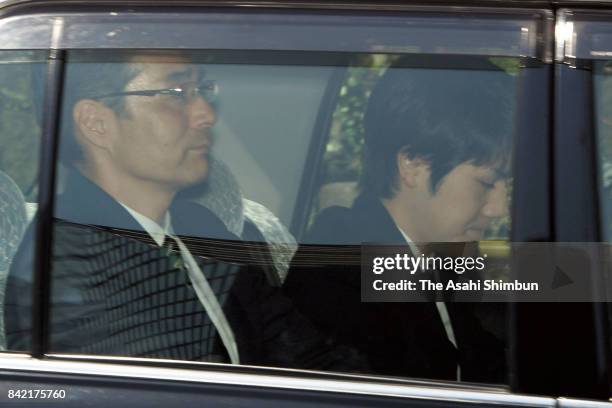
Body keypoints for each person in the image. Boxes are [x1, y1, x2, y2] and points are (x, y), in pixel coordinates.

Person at [4, 51, 363, 370]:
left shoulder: (201, 226)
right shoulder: (62, 266)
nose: (206, 114)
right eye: (176, 94)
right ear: (96, 123)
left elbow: (309, 356)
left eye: (201, 91)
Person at [284, 57, 512, 382]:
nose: (498, 207)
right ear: (413, 164)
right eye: (487, 183)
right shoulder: (338, 272)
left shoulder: (439, 260)